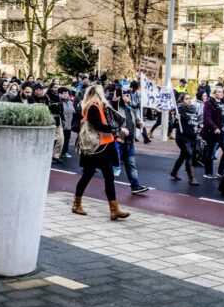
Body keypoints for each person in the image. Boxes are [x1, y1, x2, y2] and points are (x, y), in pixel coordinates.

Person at [71, 85, 130, 220]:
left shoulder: (96, 106)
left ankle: (112, 208)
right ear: (98, 93)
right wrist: (117, 129)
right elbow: (98, 125)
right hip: (97, 148)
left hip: (101, 147)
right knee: (95, 176)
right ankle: (79, 204)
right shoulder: (92, 107)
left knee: (101, 176)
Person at [117, 89, 150, 195]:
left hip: (130, 141)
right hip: (119, 141)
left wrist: (140, 123)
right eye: (126, 95)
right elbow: (112, 123)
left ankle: (135, 186)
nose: (128, 97)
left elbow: (136, 120)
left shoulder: (131, 109)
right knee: (113, 165)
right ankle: (108, 185)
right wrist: (120, 130)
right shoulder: (116, 109)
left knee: (131, 164)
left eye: (128, 95)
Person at [170, 93, 202, 186]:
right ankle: (191, 178)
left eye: (190, 98)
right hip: (182, 137)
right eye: (186, 99)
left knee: (183, 156)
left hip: (192, 136)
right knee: (189, 154)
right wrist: (176, 119)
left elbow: (197, 121)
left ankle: (174, 171)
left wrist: (200, 125)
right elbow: (174, 125)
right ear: (182, 100)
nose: (189, 100)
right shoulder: (179, 109)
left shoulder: (194, 109)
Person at [201, 86, 224, 179]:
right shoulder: (209, 103)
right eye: (219, 92)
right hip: (213, 132)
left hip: (223, 131)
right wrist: (214, 127)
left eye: (222, 92)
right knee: (211, 152)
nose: (221, 93)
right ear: (214, 93)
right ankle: (208, 172)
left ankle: (221, 172)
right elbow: (207, 117)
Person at [51, 87, 76, 161]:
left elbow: (73, 112)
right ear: (60, 94)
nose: (66, 95)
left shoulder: (70, 102)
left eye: (67, 93)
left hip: (69, 124)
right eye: (64, 93)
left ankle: (64, 152)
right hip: (61, 124)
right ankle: (56, 153)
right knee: (60, 139)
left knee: (67, 139)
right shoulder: (58, 103)